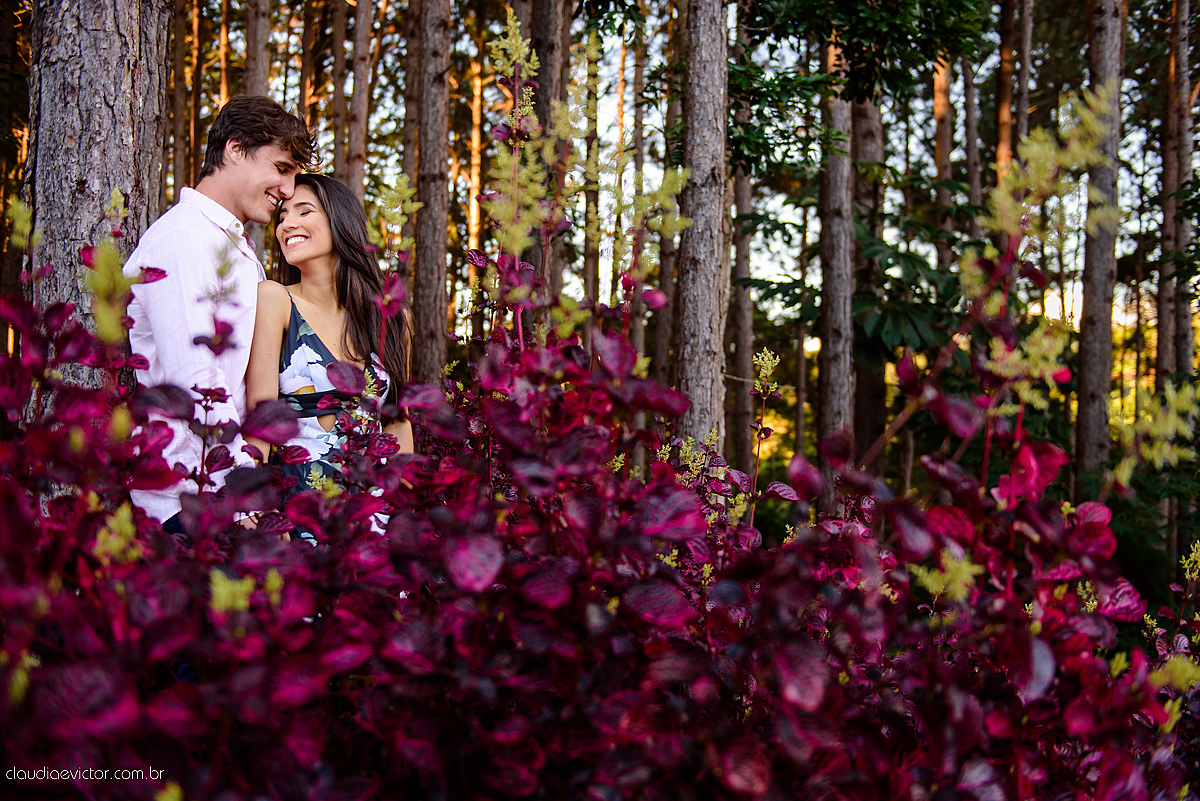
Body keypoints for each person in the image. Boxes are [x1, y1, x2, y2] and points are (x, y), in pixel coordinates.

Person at [122, 96, 316, 534]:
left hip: (218, 492)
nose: (288, 190)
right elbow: (194, 379)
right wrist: (242, 497)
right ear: (235, 149)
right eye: (282, 168)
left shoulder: (231, 246)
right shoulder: (183, 237)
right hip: (188, 499)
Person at [245, 173, 413, 501]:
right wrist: (255, 509)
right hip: (300, 504)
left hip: (372, 509)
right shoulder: (275, 299)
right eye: (282, 216)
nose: (287, 224)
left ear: (340, 221)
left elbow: (397, 423)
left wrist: (407, 507)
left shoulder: (391, 318)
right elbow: (259, 418)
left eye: (304, 211)